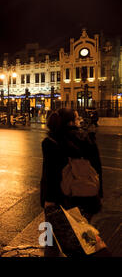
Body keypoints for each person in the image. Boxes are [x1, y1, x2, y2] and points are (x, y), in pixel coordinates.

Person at [41, 108, 103, 256]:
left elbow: (49, 174)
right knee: (84, 240)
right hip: (86, 197)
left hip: (58, 199)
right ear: (70, 122)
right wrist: (99, 195)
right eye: (76, 117)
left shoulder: (50, 142)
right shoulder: (88, 139)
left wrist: (47, 200)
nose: (79, 119)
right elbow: (97, 169)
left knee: (50, 241)